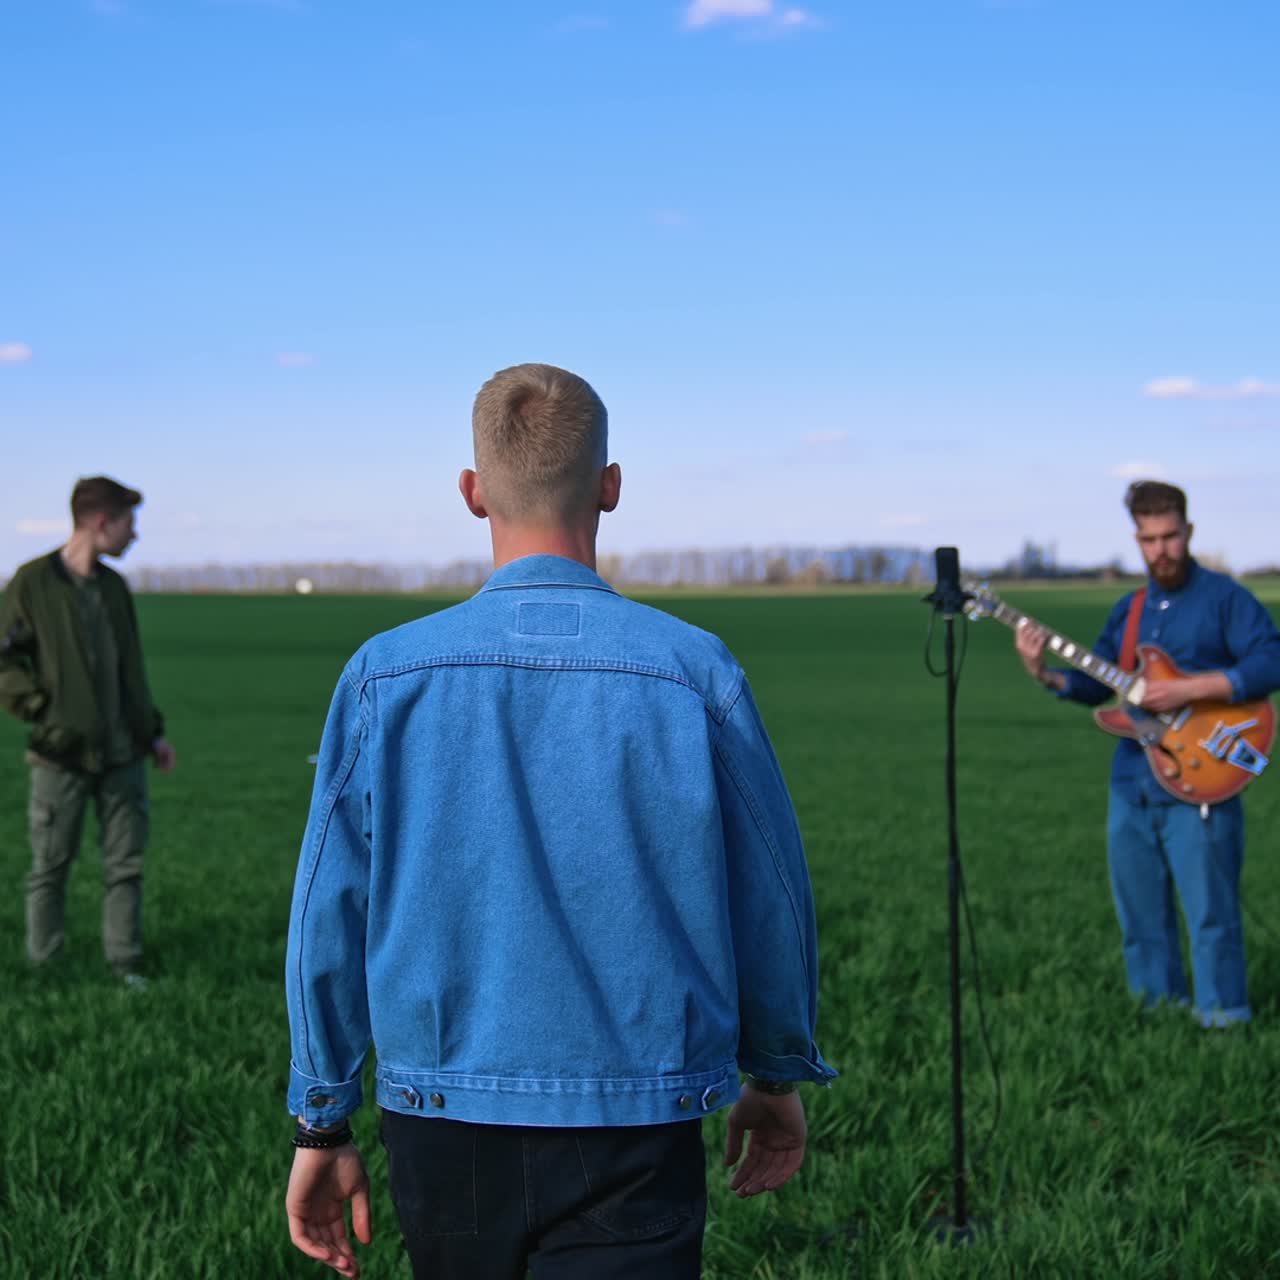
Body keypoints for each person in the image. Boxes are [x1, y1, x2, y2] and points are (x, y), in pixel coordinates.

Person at [283, 363, 836, 1279]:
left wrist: (322, 1115)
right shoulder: (693, 671)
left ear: (473, 492)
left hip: (443, 1118)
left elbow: (325, 913)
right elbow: (773, 889)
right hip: (639, 1117)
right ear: (610, 485)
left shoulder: (387, 674)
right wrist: (775, 1073)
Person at [1014, 480, 1280, 1028]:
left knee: (1211, 914)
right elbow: (1096, 685)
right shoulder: (1129, 609)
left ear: (1189, 531)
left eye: (1170, 536)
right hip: (1132, 779)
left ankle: (1224, 1021)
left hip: (1203, 774)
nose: (1161, 549)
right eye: (1148, 539)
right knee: (1140, 913)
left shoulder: (1226, 598)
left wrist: (1190, 689)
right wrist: (1042, 672)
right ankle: (1160, 1019)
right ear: (1137, 538)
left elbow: (1271, 661)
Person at [0, 476, 177, 987]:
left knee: (125, 867)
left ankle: (125, 964)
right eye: (129, 524)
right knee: (49, 866)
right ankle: (44, 964)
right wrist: (39, 707)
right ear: (102, 522)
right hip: (60, 754)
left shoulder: (114, 587)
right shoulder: (32, 583)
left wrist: (153, 734)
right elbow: (4, 657)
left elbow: (131, 671)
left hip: (124, 754)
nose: (134, 536)